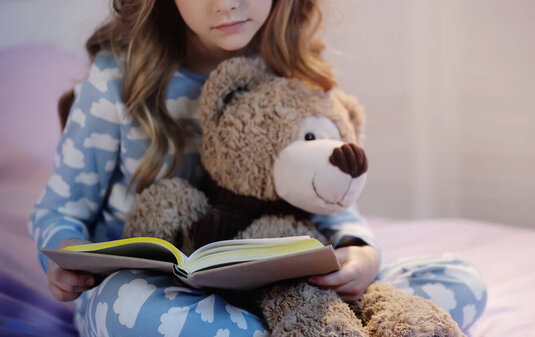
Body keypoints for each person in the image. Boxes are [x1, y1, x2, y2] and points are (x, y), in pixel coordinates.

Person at [29, 0, 487, 335]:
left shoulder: (290, 72)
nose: (228, 3)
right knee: (127, 308)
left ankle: (305, 324)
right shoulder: (115, 83)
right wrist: (65, 253)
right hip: (158, 290)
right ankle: (312, 329)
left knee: (460, 279)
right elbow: (58, 210)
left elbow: (333, 201)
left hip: (285, 282)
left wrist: (361, 254)